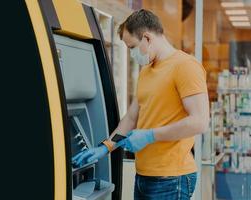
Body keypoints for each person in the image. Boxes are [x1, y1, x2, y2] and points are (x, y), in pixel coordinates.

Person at [72, 9, 209, 200]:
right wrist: (106, 147)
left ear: (147, 38)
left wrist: (150, 135)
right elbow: (131, 117)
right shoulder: (146, 71)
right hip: (144, 176)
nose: (131, 55)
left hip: (172, 178)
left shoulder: (185, 66)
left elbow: (200, 122)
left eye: (132, 47)